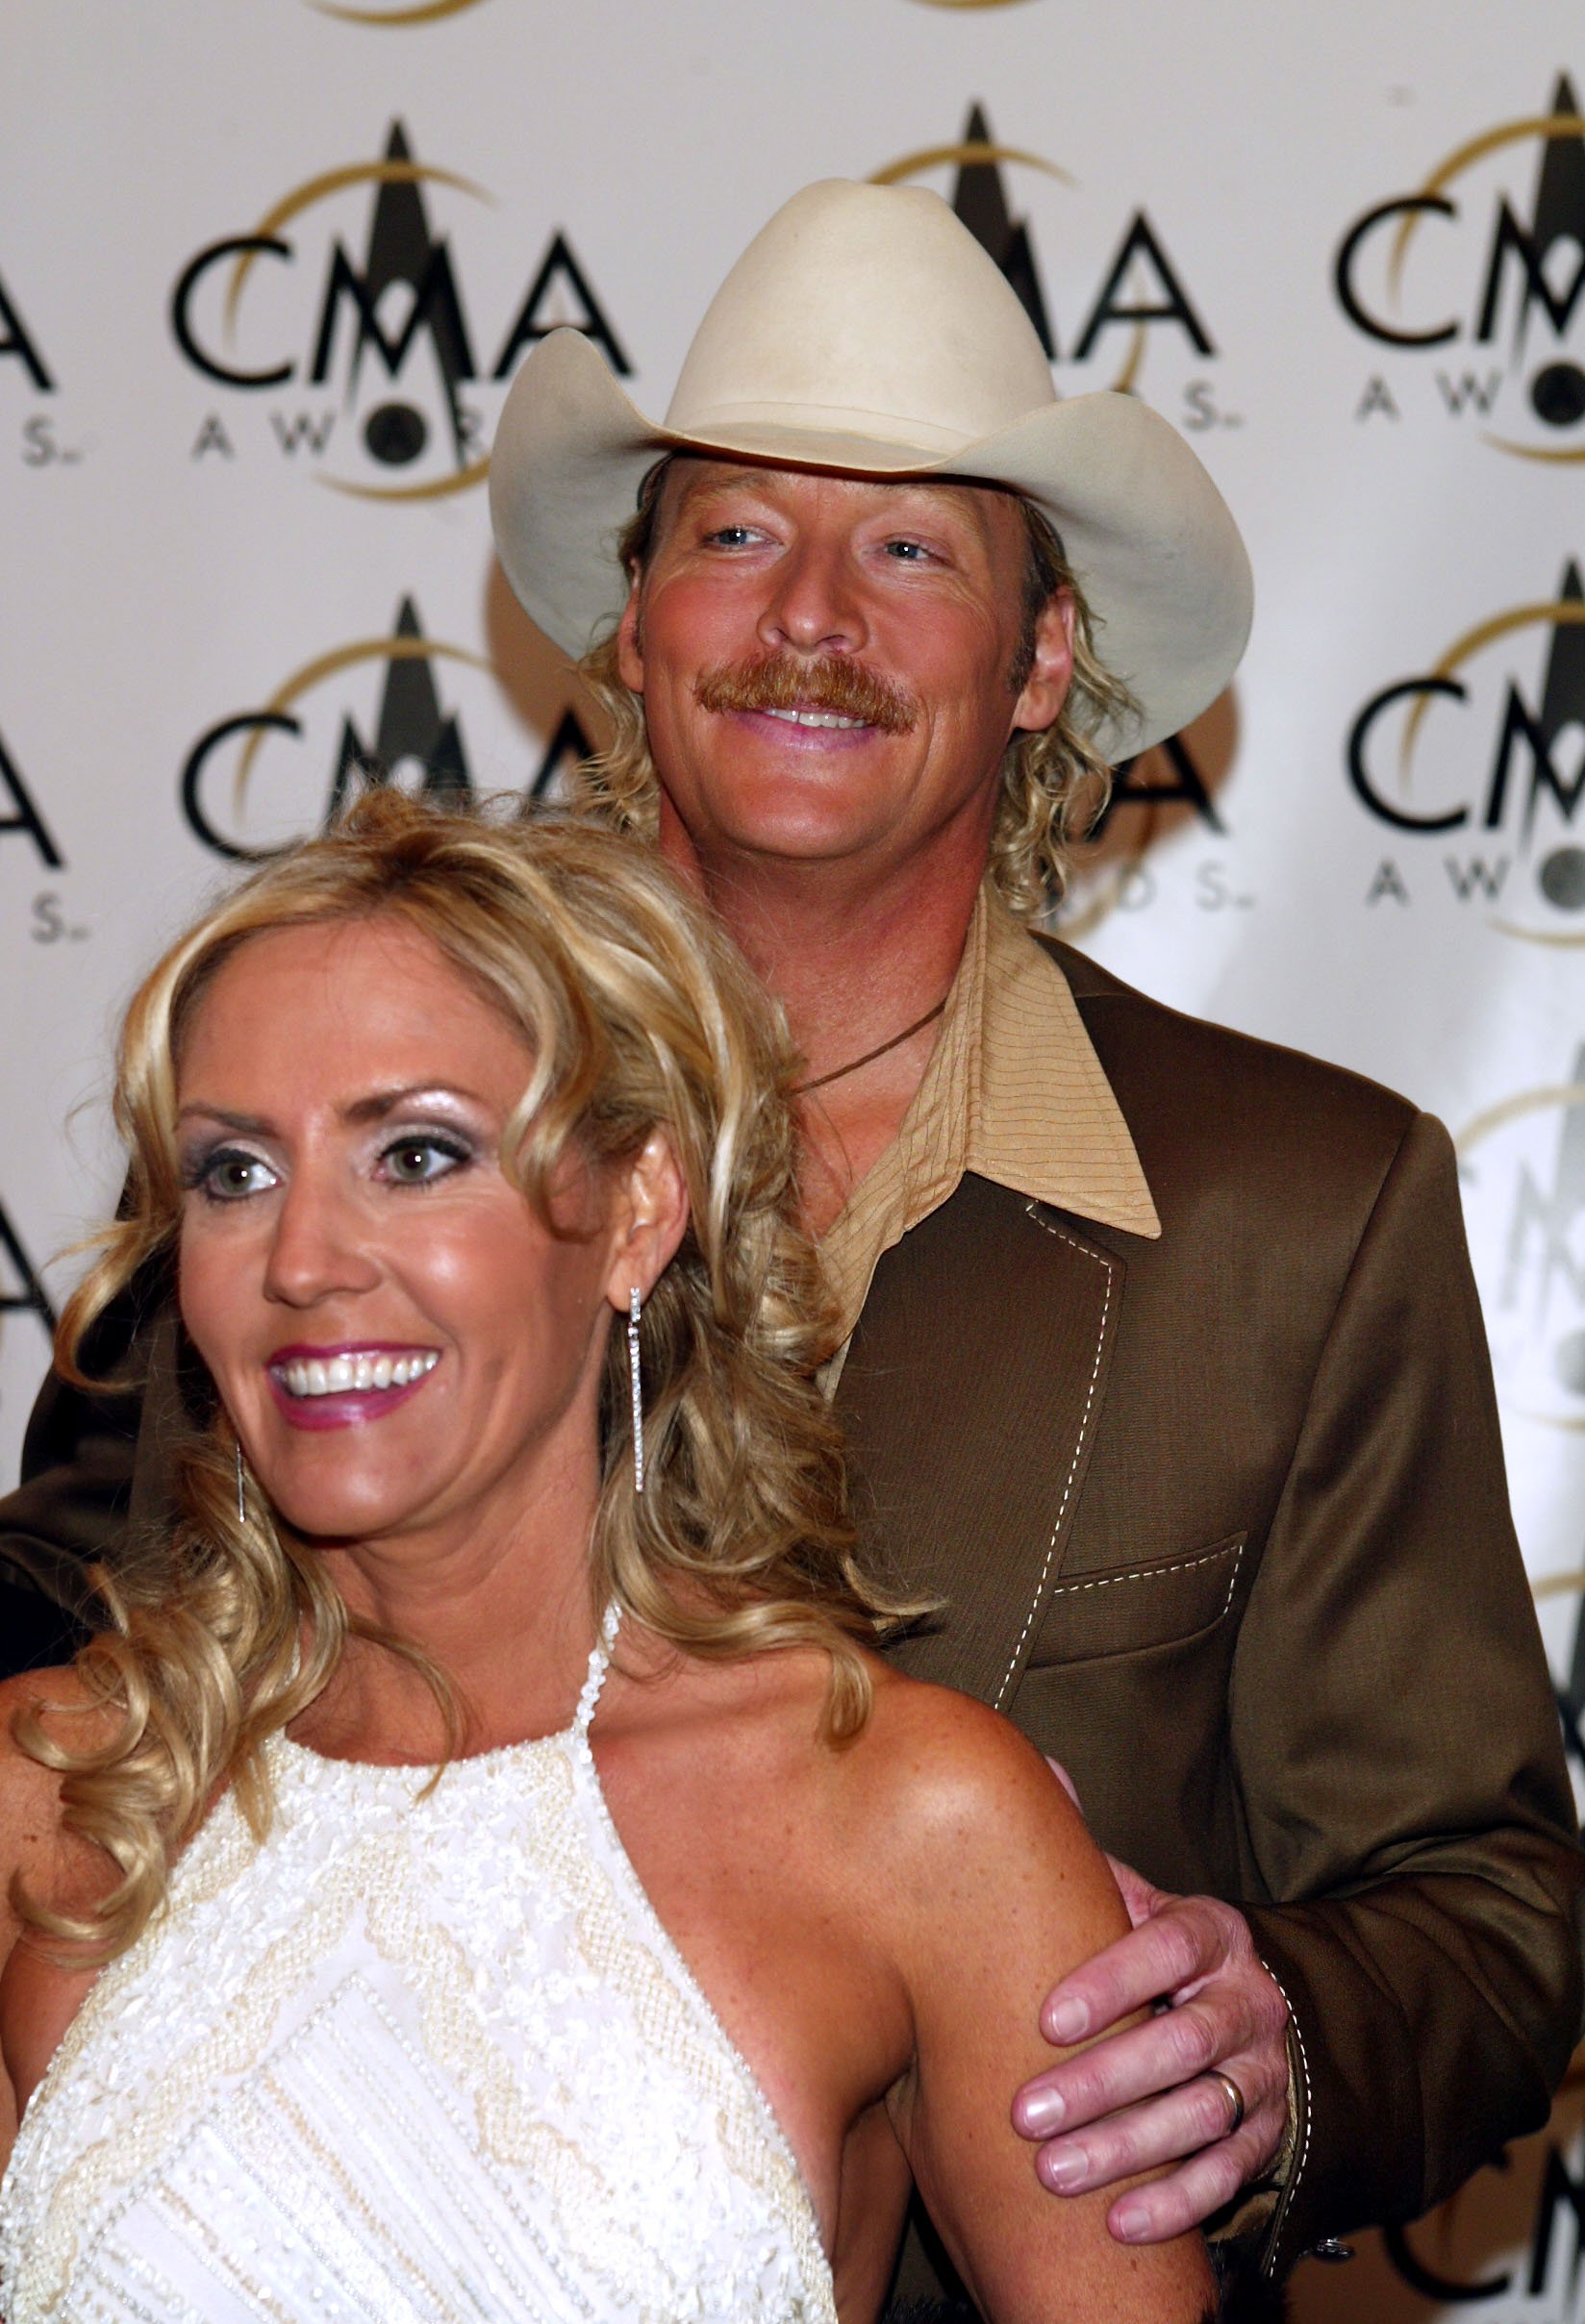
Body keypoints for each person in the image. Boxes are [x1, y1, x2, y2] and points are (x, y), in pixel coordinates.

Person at [2, 179, 1581, 2304]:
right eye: (734, 532)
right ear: (629, 619)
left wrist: (1266, 2041)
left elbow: (1483, 1904)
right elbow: (61, 1595)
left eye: (911, 548)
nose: (807, 616)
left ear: (1041, 661)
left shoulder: (1293, 1208)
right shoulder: (350, 1083)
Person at [0, 792, 1215, 2324]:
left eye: (417, 1154)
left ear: (638, 1209)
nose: (301, 1258)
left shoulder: (917, 1820)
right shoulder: (49, 1795)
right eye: (236, 1173)